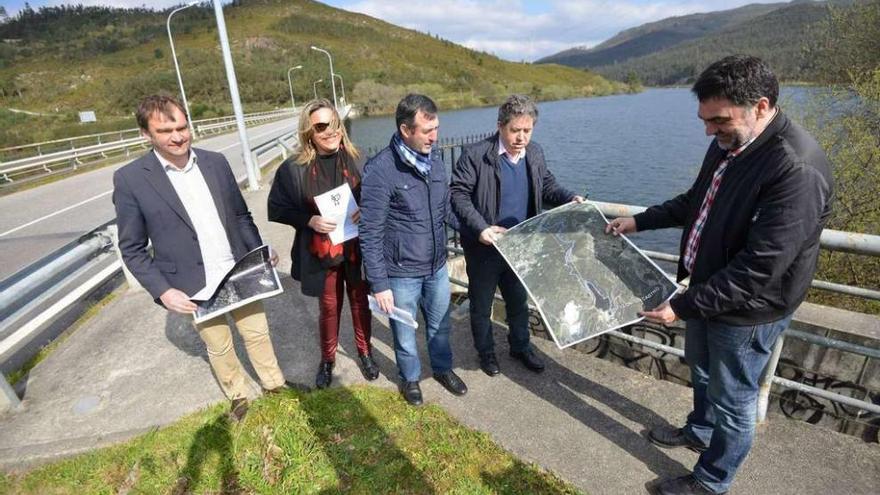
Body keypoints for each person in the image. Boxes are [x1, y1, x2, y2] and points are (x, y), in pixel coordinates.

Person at [606, 56, 833, 495]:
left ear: (761, 106)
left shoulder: (796, 169)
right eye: (705, 120)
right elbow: (698, 200)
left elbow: (760, 269)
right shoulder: (732, 142)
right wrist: (640, 221)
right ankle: (700, 431)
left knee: (735, 402)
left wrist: (681, 305)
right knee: (704, 371)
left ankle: (711, 481)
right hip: (708, 292)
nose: (709, 131)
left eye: (719, 120)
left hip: (749, 311)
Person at [113, 94, 295, 423]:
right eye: (166, 130)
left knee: (257, 332)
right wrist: (163, 290)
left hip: (237, 269)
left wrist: (258, 252)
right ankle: (239, 395)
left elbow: (241, 217)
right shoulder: (131, 179)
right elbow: (132, 248)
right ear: (146, 134)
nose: (178, 136)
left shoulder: (215, 162)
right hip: (191, 283)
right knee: (220, 345)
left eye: (183, 127)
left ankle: (274, 386)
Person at [450, 94, 584, 376]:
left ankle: (520, 346)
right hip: (484, 248)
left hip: (521, 245)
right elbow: (458, 195)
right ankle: (486, 353)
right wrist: (481, 228)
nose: (522, 137)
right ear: (500, 125)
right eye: (515, 130)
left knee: (518, 302)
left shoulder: (534, 153)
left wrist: (569, 198)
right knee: (481, 305)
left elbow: (547, 184)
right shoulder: (475, 155)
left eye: (527, 130)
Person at [359, 94, 467, 406]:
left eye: (436, 128)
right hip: (401, 273)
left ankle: (443, 369)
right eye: (427, 130)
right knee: (405, 335)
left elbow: (445, 210)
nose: (435, 136)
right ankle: (410, 379)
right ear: (406, 130)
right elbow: (370, 232)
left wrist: (478, 231)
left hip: (435, 267)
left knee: (440, 325)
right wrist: (380, 284)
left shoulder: (434, 162)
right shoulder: (380, 170)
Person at [267, 99, 378, 389]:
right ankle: (327, 360)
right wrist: (309, 221)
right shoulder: (294, 169)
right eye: (321, 126)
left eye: (334, 123)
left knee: (359, 302)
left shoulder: (359, 159)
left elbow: (377, 199)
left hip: (356, 249)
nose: (330, 131)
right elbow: (277, 208)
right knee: (329, 308)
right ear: (309, 132)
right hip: (321, 253)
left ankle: (365, 352)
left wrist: (366, 208)